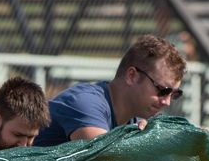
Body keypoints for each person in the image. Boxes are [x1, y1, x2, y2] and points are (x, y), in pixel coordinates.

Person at [32, 34, 186, 147]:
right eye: (163, 90)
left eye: (174, 94)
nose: (167, 102)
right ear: (132, 76)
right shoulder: (85, 103)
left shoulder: (134, 122)